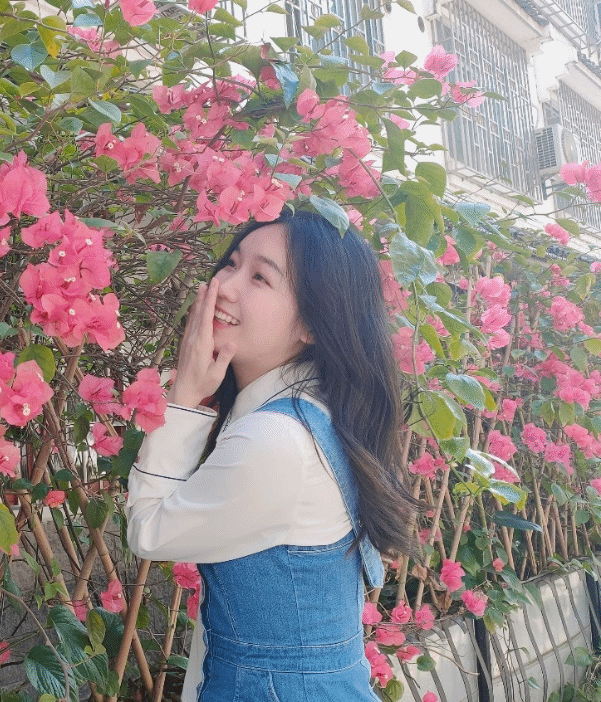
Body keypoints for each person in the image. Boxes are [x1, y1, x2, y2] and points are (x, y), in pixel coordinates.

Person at [126, 209, 417, 702]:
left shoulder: (276, 440)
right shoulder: (314, 415)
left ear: (313, 323)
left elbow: (147, 530)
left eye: (260, 277)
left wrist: (185, 397)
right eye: (231, 263)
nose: (224, 286)